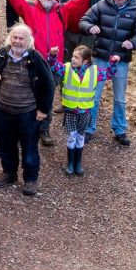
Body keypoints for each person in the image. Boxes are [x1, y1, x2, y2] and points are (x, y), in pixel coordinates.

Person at [6, 0, 96, 146]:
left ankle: (44, 129)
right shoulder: (30, 9)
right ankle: (28, 126)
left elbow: (79, 0)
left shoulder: (63, 10)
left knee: (47, 96)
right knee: (30, 94)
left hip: (55, 64)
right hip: (33, 62)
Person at [0, 24, 56, 196]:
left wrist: (44, 110)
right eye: (15, 37)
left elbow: (49, 84)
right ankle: (9, 173)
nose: (17, 41)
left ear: (29, 40)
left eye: (21, 38)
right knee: (4, 145)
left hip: (27, 112)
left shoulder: (35, 57)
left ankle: (31, 179)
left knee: (29, 147)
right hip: (3, 110)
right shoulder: (2, 54)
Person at [79, 0, 136, 145]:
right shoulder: (102, 5)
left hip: (121, 59)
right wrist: (90, 27)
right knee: (93, 95)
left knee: (120, 98)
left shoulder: (135, 9)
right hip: (100, 57)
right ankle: (89, 128)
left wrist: (133, 43)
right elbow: (84, 20)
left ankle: (119, 129)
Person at [47, 45, 118, 175]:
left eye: (76, 57)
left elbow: (109, 73)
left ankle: (78, 163)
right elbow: (53, 66)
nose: (72, 59)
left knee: (80, 136)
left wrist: (113, 62)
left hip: (85, 110)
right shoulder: (67, 68)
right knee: (72, 136)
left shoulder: (94, 71)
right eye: (72, 56)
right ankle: (70, 164)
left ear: (85, 61)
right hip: (71, 110)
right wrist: (52, 55)